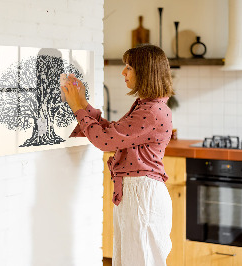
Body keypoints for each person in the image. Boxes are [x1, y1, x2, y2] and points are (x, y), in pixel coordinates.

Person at [61, 44, 174, 266]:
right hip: (136, 193)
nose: (123, 72)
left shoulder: (151, 111)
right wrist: (83, 104)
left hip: (142, 195)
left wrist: (77, 108)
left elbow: (105, 141)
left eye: (129, 67)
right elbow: (113, 133)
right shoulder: (147, 106)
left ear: (145, 71)